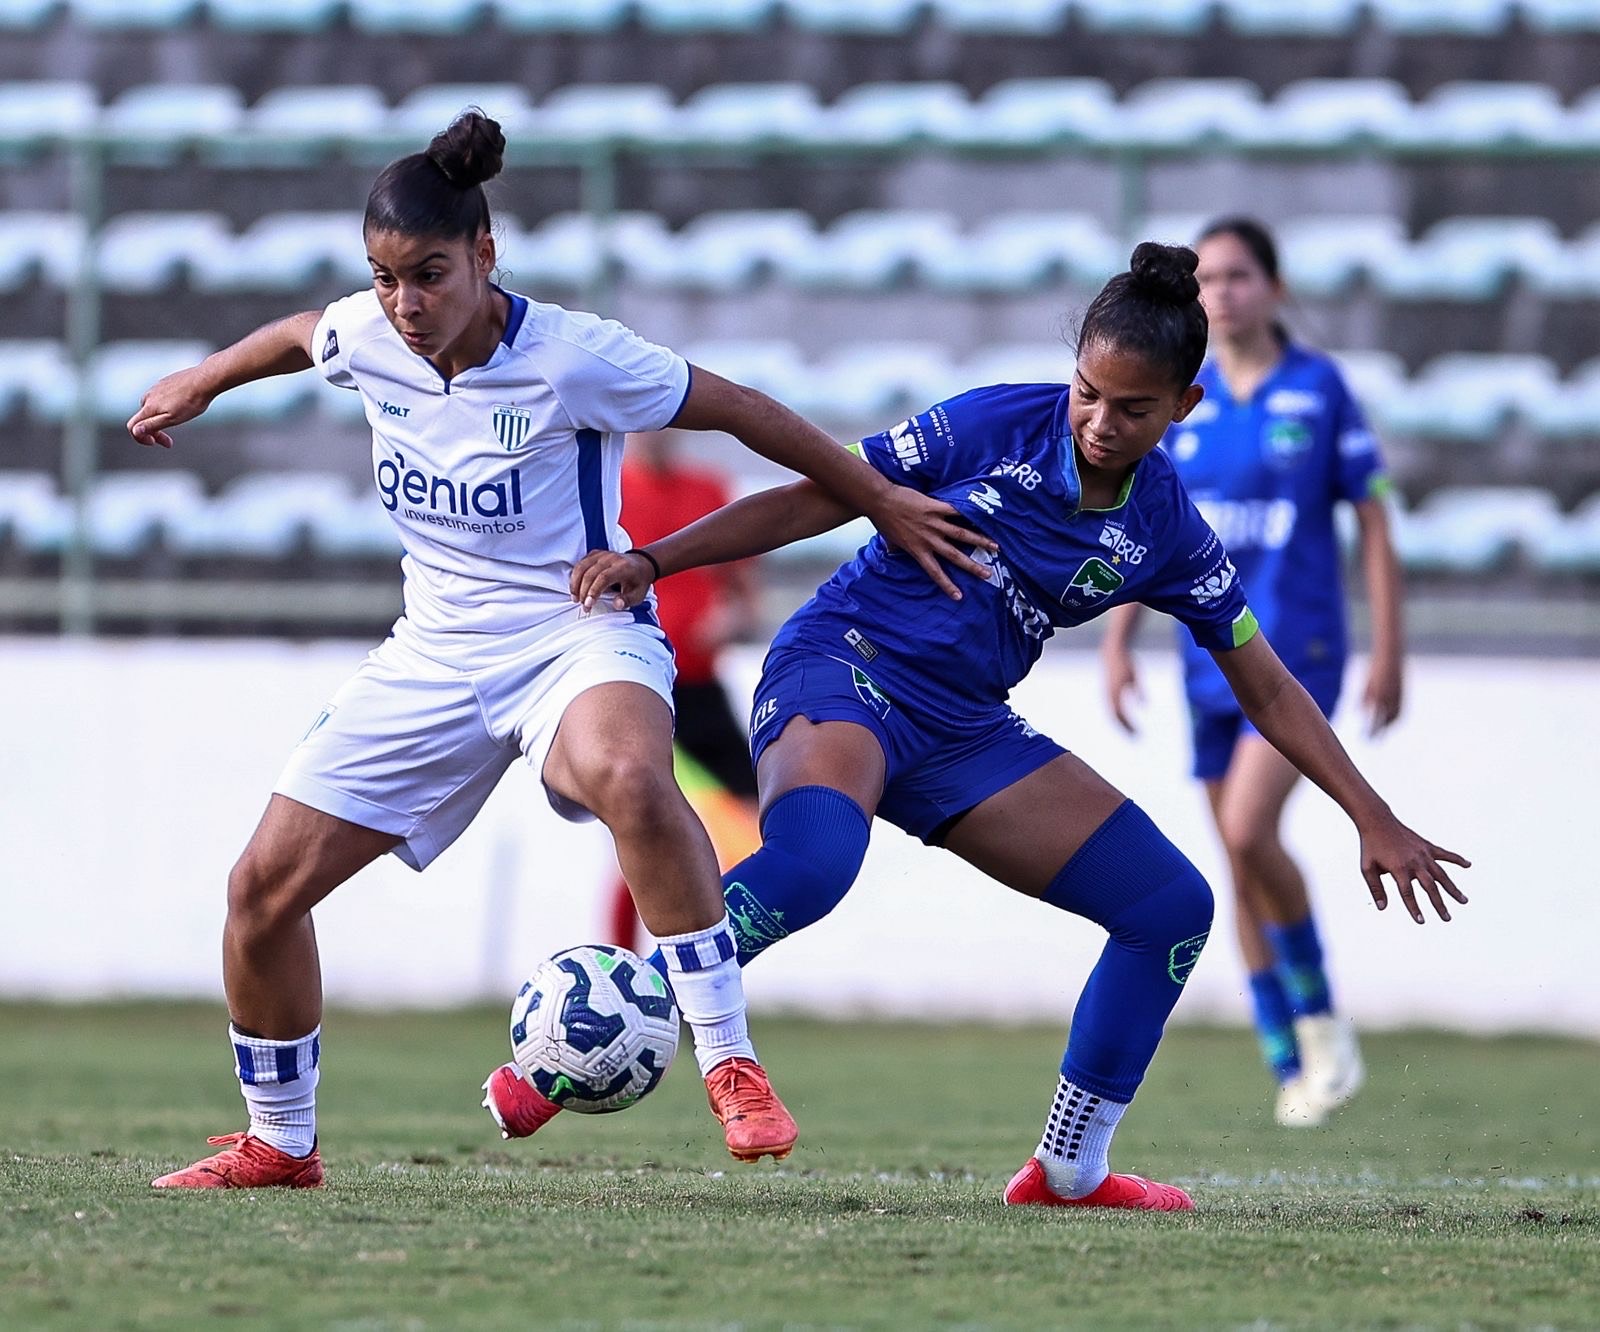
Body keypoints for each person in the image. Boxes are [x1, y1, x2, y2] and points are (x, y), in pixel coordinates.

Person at [486, 241, 1468, 1211]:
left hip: (963, 728)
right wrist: (657, 561)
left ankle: (1068, 1171)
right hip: (843, 664)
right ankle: (572, 1049)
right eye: (1087, 390)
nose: (1097, 420)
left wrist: (1369, 815)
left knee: (1169, 908)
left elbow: (1266, 685)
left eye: (1132, 408)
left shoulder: (1166, 528)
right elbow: (819, 493)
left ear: (1184, 407)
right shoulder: (999, 422)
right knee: (818, 861)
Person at [126, 111, 990, 1189]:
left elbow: (748, 410)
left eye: (430, 274)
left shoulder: (576, 358)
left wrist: (881, 501)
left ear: (486, 256)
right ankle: (280, 1142)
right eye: (387, 276)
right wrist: (204, 378)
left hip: (574, 635)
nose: (406, 302)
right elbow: (303, 332)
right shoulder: (370, 334)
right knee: (260, 891)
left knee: (630, 776)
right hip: (433, 653)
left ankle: (728, 1061)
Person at [1099, 217, 1403, 1129]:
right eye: (1209, 280)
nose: (1222, 293)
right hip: (1206, 662)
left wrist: (1391, 645)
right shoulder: (1176, 403)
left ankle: (1322, 1027)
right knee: (1236, 861)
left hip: (1297, 651)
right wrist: (1119, 644)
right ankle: (1290, 1058)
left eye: (1238, 276)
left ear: (1271, 286)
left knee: (1245, 828)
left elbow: (1376, 522)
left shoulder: (1319, 389)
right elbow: (1139, 527)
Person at [604, 430, 763, 952]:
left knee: (753, 827)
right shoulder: (607, 490)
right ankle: (624, 966)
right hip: (641, 688)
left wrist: (730, 618)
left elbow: (745, 595)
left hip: (698, 686)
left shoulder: (706, 490)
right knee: (642, 826)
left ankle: (713, 958)